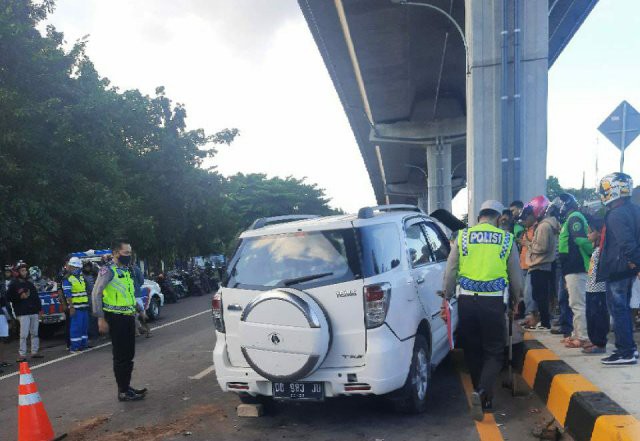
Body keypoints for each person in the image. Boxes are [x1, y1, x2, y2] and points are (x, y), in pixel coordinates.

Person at [442, 200, 524, 421]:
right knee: (494, 351)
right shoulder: (506, 239)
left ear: (479, 217)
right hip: (493, 303)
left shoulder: (463, 236)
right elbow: (515, 274)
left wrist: (446, 296)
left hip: (466, 302)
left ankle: (483, 397)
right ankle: (482, 393)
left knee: (473, 349)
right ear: (498, 218)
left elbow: (451, 269)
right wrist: (517, 298)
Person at [92, 239, 147, 401]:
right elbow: (96, 293)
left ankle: (126, 387)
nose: (129, 256)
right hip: (115, 318)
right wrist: (100, 318)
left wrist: (140, 310)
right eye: (126, 253)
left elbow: (128, 294)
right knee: (121, 356)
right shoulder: (107, 270)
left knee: (129, 354)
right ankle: (122, 391)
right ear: (116, 253)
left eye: (130, 253)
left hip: (128, 316)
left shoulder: (127, 270)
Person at [596, 173, 640, 365]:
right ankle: (630, 348)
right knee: (623, 309)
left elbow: (626, 243)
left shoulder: (615, 214)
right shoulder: (635, 210)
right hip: (627, 269)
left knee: (618, 310)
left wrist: (637, 263)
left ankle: (625, 352)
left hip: (617, 269)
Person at [550, 193, 593, 348]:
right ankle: (577, 334)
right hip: (570, 268)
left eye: (562, 204)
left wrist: (592, 251)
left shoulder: (575, 217)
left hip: (577, 267)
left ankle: (582, 337)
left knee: (578, 304)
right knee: (574, 303)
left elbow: (581, 240)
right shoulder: (571, 218)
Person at [521, 196, 560, 331]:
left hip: (540, 265)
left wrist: (528, 244)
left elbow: (542, 247)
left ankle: (544, 323)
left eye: (530, 214)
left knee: (540, 296)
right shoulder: (547, 225)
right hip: (543, 266)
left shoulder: (543, 227)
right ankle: (543, 321)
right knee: (540, 295)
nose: (528, 218)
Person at [7, 262, 43, 362]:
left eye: (25, 270)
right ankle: (22, 354)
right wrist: (19, 297)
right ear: (18, 272)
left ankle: (34, 351)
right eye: (22, 270)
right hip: (22, 312)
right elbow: (8, 297)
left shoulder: (29, 283)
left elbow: (36, 297)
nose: (25, 272)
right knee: (23, 334)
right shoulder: (13, 284)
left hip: (33, 311)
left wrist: (39, 309)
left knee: (35, 332)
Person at [583, 219, 608, 354]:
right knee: (591, 315)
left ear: (599, 234)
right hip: (591, 288)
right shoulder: (595, 250)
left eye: (590, 232)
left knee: (598, 316)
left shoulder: (601, 251)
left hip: (599, 289)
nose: (588, 235)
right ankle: (594, 341)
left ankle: (600, 343)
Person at [63, 257, 90, 352]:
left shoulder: (81, 278)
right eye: (74, 267)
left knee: (84, 326)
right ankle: (74, 346)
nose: (76, 269)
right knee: (76, 328)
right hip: (76, 308)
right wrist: (71, 307)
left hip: (84, 306)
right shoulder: (67, 279)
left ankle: (83, 344)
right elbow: (68, 295)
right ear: (70, 267)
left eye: (77, 267)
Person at [82, 261, 99, 341]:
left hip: (93, 298)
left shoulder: (93, 275)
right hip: (87, 298)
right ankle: (90, 334)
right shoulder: (82, 276)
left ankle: (94, 334)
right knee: (89, 318)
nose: (87, 268)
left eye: (88, 266)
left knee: (94, 317)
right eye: (86, 267)